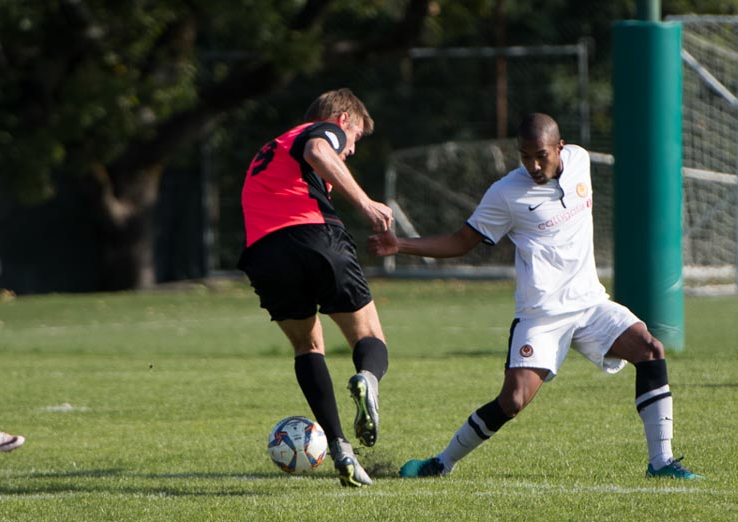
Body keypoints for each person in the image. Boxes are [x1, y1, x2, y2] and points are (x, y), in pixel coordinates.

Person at [369, 113, 701, 480]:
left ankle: (661, 462)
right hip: (541, 315)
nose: (533, 166)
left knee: (650, 349)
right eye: (525, 156)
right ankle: (440, 463)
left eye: (541, 155)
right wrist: (401, 244)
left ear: (560, 148)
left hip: (590, 303)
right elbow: (460, 241)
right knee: (512, 401)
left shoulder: (580, 160)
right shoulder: (505, 193)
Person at [238, 88, 392, 488]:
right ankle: (367, 379)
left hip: (264, 253)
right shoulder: (322, 130)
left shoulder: (271, 149)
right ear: (343, 120)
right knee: (370, 337)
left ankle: (341, 448)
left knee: (308, 348)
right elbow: (319, 151)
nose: (351, 149)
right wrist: (365, 203)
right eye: (355, 137)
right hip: (313, 236)